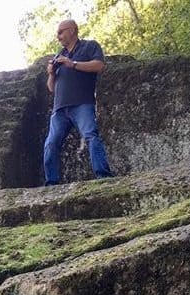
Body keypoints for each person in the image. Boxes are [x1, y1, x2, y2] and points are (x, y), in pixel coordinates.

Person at [43, 19, 114, 186]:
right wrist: (51, 74)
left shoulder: (89, 46)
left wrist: (72, 64)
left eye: (61, 32)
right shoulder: (58, 56)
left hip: (82, 103)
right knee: (51, 143)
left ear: (72, 30)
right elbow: (51, 88)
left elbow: (99, 65)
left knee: (90, 136)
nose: (58, 36)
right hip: (59, 109)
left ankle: (104, 177)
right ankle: (51, 183)